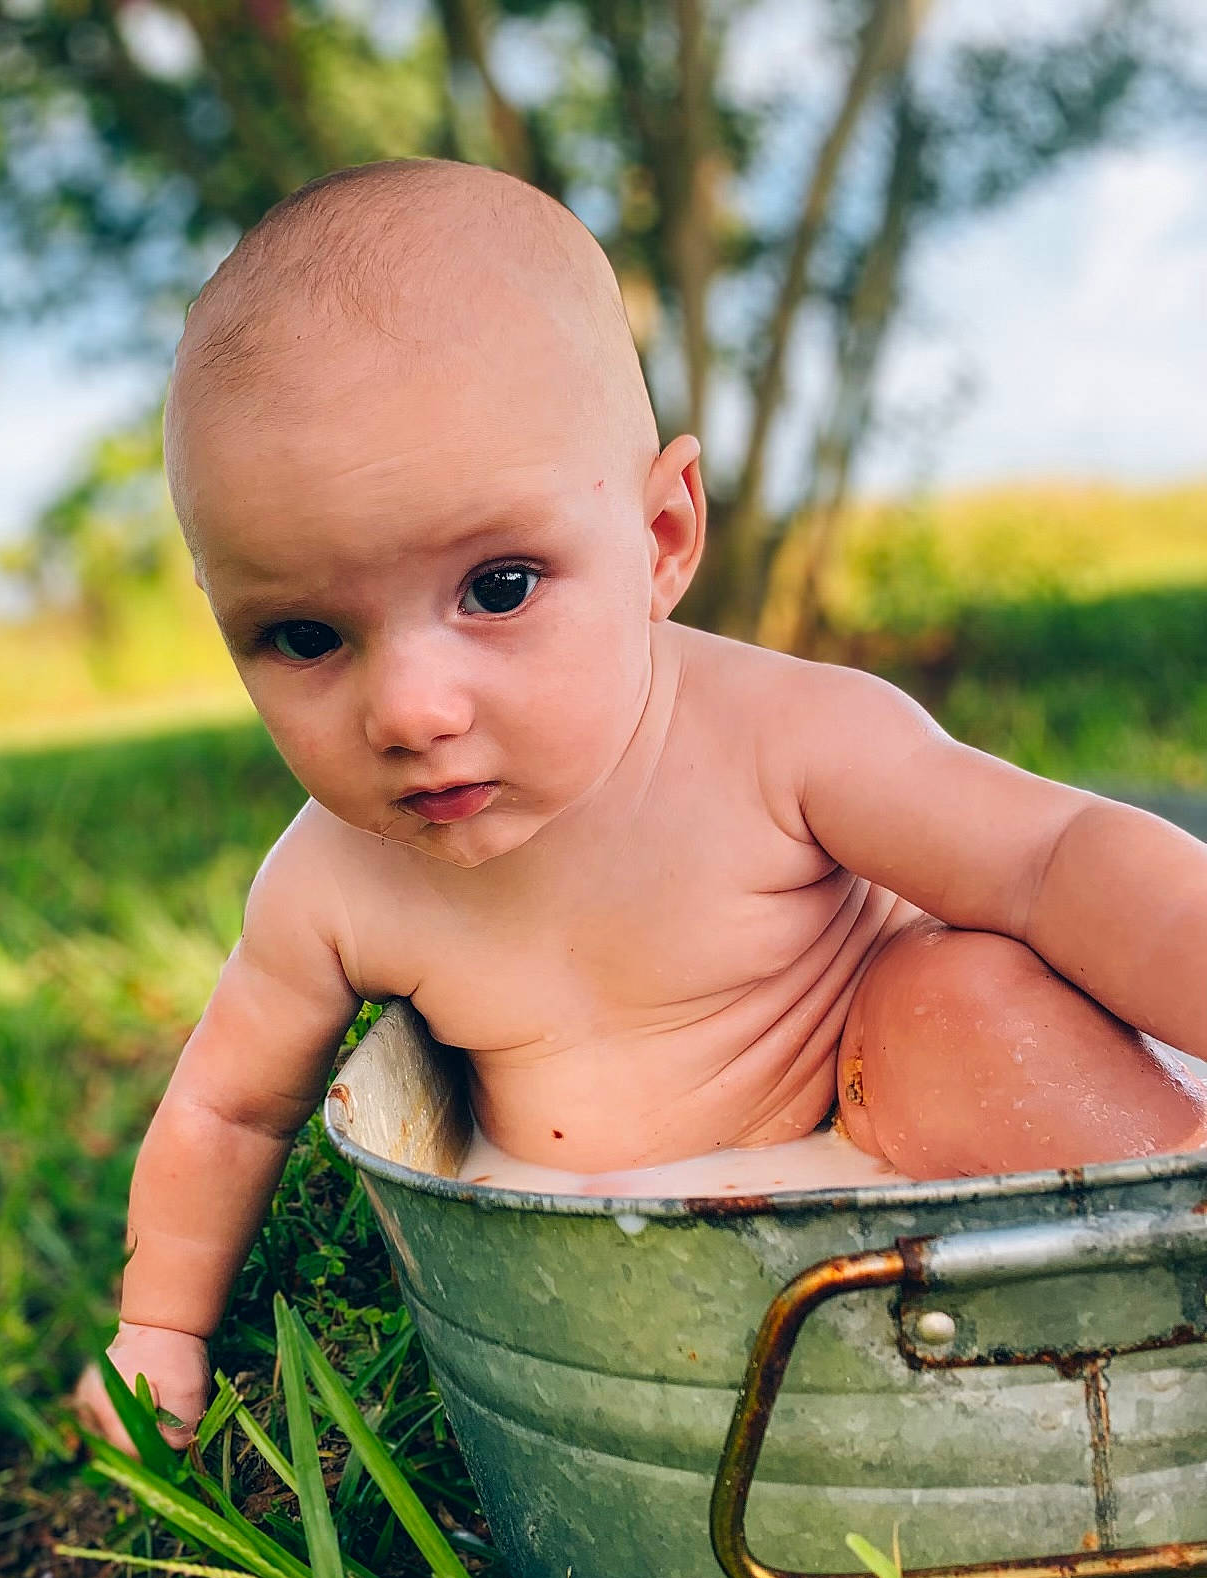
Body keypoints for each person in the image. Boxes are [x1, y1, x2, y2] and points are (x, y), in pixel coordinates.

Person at [74, 156, 1207, 1453]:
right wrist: (157, 1327)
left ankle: (1175, 1249)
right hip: (623, 1266)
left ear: (663, 537)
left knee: (964, 1007)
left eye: (497, 588)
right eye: (303, 636)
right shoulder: (336, 880)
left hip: (893, 1110)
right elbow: (228, 1103)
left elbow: (1054, 858)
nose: (410, 710)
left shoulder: (786, 739)